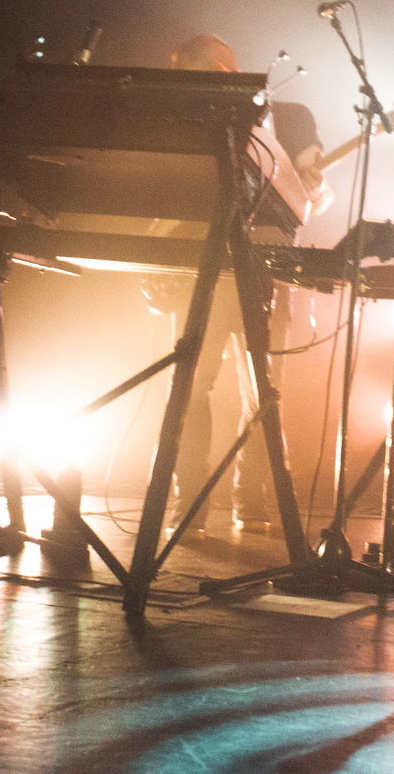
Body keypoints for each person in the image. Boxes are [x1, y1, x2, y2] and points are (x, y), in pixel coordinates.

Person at [150, 34, 329, 534]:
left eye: (195, 77)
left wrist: (315, 186)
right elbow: (173, 194)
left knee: (263, 395)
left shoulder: (290, 117)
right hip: (204, 268)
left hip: (264, 270)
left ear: (221, 71)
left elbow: (316, 192)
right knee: (189, 387)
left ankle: (251, 502)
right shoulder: (194, 124)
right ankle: (189, 504)